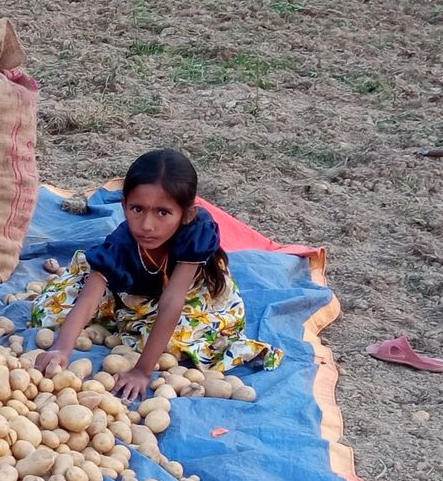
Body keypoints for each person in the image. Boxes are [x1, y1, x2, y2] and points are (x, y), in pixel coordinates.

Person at [29, 148, 280, 399]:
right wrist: (61, 350)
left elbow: (173, 300)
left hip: (189, 292)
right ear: (124, 205)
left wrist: (142, 371)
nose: (148, 225)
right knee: (50, 310)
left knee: (180, 340)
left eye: (163, 212)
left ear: (186, 214)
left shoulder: (195, 233)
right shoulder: (120, 245)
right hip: (132, 290)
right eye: (137, 209)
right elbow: (89, 298)